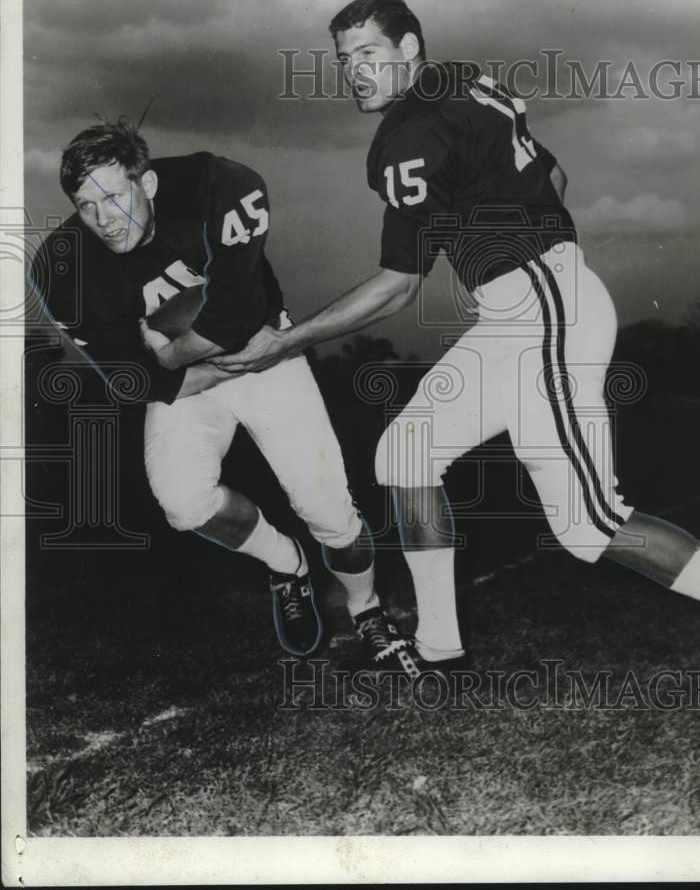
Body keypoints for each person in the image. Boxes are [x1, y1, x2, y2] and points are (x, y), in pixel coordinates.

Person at [213, 0, 700, 706]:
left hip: (540, 308)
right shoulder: (469, 83)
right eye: (343, 58)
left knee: (586, 523)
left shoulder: (407, 135)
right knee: (405, 453)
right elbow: (555, 179)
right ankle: (441, 650)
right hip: (528, 303)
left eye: (368, 54)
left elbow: (397, 287)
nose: (352, 72)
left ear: (409, 48)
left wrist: (282, 341)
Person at [31, 117, 423, 672]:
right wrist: (187, 366)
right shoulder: (60, 265)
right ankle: (286, 565)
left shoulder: (214, 186)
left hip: (268, 353)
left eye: (114, 197)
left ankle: (367, 610)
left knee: (329, 511)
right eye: (85, 206)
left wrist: (169, 353)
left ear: (147, 183)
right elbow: (133, 382)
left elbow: (238, 320)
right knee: (182, 502)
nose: (103, 220)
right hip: (195, 383)